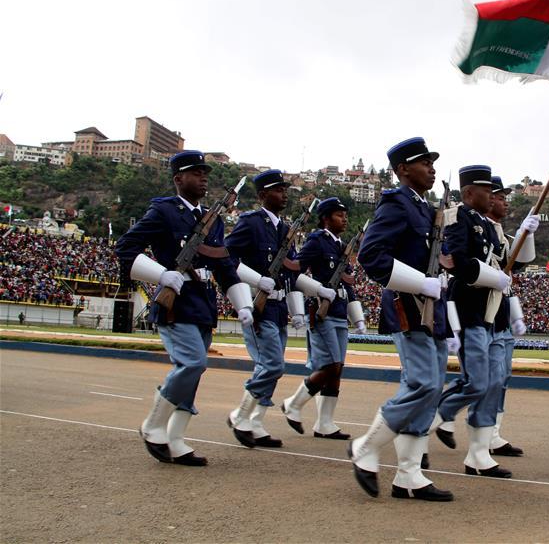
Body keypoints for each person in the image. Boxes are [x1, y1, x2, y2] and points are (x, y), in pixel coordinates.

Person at [115, 150, 254, 466]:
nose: (203, 177)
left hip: (202, 305)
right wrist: (161, 274)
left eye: (205, 172)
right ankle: (153, 424)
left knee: (194, 372)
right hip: (175, 303)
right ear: (178, 179)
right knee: (191, 364)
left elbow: (225, 266)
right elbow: (125, 248)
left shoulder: (212, 220)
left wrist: (242, 303)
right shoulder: (164, 212)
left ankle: (175, 438)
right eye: (196, 172)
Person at [350, 137, 453, 502]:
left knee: (429, 388)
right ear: (403, 169)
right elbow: (372, 256)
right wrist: (421, 282)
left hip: (432, 310)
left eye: (432, 161)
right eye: (424, 162)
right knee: (423, 383)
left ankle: (409, 475)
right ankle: (366, 445)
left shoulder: (425, 209)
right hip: (408, 308)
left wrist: (438, 283)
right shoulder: (397, 204)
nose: (432, 167)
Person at [430, 165, 514, 478]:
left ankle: (478, 455)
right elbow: (460, 264)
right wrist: (495, 277)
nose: (492, 196)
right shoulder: (457, 217)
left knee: (492, 383)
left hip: (489, 312)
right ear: (469, 193)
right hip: (468, 310)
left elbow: (509, 264)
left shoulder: (490, 228)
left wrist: (526, 236)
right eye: (486, 191)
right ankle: (443, 409)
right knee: (478, 381)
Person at [223, 169, 299, 449]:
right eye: (278, 190)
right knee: (272, 365)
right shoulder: (251, 223)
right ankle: (240, 415)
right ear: (263, 195)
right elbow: (226, 257)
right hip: (258, 305)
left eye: (285, 189)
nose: (284, 194)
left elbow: (291, 269)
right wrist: (256, 280)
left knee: (272, 369)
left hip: (278, 307)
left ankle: (256, 422)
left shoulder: (284, 229)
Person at [281, 197, 365, 440]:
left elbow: (348, 283)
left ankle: (325, 423)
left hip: (339, 313)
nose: (345, 218)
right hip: (322, 312)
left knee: (337, 369)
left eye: (345, 214)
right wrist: (318, 290)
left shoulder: (341, 246)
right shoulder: (317, 240)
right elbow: (294, 271)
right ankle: (293, 404)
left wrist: (356, 316)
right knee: (330, 367)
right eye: (340, 215)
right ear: (326, 218)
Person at [484, 175, 538, 457]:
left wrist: (524, 234)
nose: (505, 202)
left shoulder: (499, 234)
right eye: (501, 196)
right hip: (483, 314)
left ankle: (492, 434)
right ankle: (443, 419)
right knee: (484, 380)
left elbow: (513, 271)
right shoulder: (479, 230)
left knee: (501, 378)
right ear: (488, 197)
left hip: (502, 314)